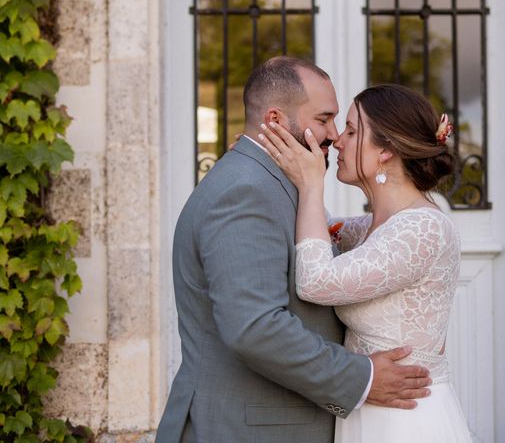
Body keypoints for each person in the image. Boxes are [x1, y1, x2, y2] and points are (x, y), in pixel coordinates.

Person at [156, 57, 432, 443]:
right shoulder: (246, 191)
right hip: (245, 429)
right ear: (275, 119)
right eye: (324, 119)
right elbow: (255, 327)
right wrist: (362, 378)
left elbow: (343, 236)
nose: (334, 135)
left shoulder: (269, 181)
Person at [258, 83, 473, 442]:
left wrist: (312, 184)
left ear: (387, 150)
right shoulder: (376, 228)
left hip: (404, 423)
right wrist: (274, 161)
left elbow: (314, 280)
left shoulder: (423, 229)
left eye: (353, 131)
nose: (338, 141)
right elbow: (317, 230)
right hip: (367, 412)